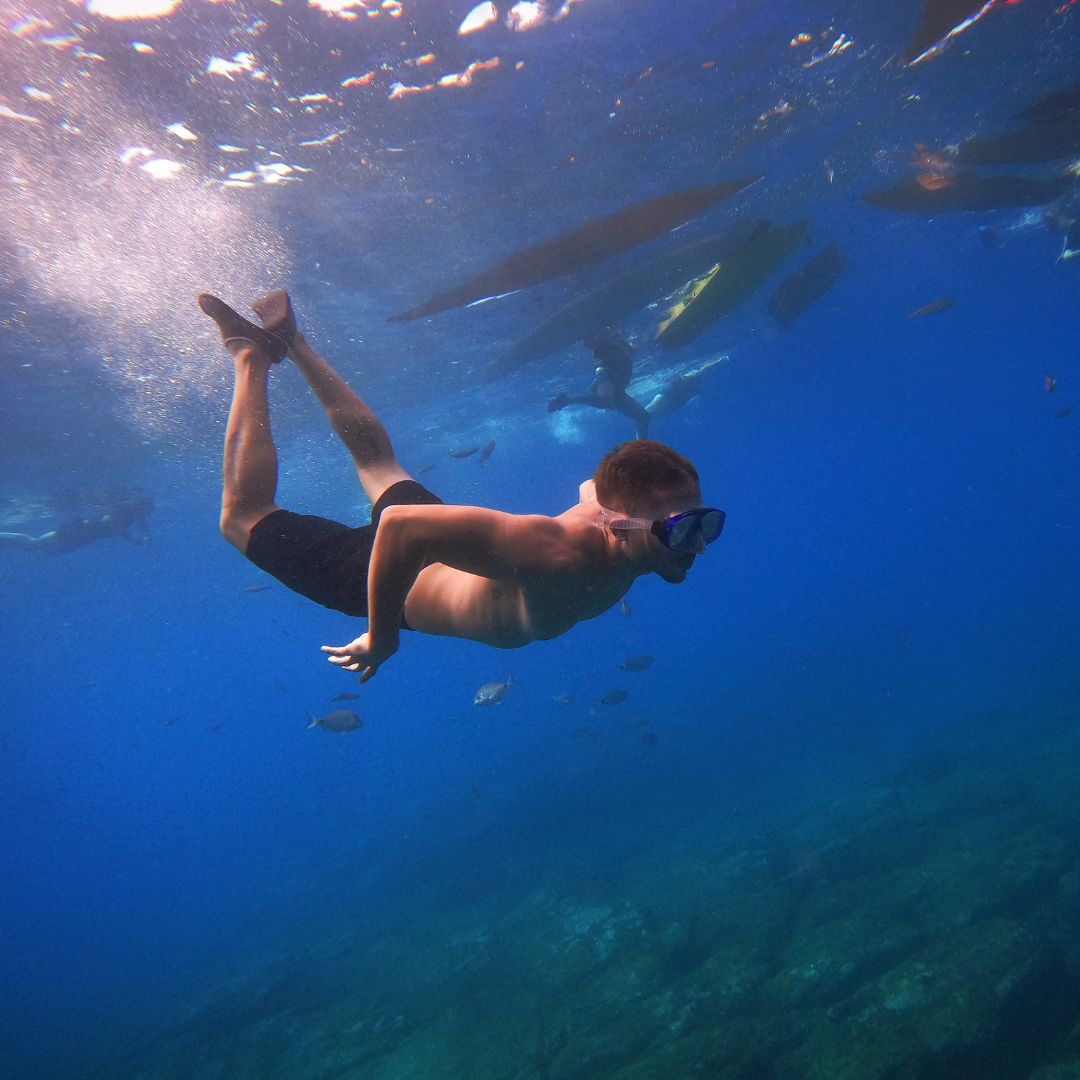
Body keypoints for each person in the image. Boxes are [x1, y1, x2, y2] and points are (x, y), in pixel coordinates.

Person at [199, 290, 725, 682]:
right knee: (241, 516)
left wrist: (618, 503)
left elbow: (593, 488)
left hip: (442, 553)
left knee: (378, 463)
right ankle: (250, 356)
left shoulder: (615, 517)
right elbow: (402, 528)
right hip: (388, 577)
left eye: (705, 522)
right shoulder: (560, 556)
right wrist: (382, 640)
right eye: (680, 529)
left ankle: (296, 344)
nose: (696, 544)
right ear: (618, 522)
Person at [547, 328, 651, 438]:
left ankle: (641, 449)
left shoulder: (627, 347)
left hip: (619, 388)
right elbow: (590, 341)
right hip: (605, 373)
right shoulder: (605, 342)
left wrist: (637, 343)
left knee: (643, 417)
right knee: (606, 401)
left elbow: (632, 348)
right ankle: (568, 400)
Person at [0, 490, 152, 553]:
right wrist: (127, 535)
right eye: (144, 508)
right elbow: (107, 521)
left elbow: (142, 528)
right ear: (139, 505)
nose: (144, 512)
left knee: (40, 549)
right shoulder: (123, 509)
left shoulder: (137, 516)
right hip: (79, 530)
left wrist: (140, 539)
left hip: (84, 537)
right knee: (35, 543)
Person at [644, 354, 729, 420]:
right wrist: (720, 361)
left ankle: (640, 431)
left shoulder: (698, 384)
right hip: (669, 395)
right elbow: (705, 368)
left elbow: (705, 370)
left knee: (652, 415)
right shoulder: (695, 376)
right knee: (649, 410)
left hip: (675, 401)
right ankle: (638, 419)